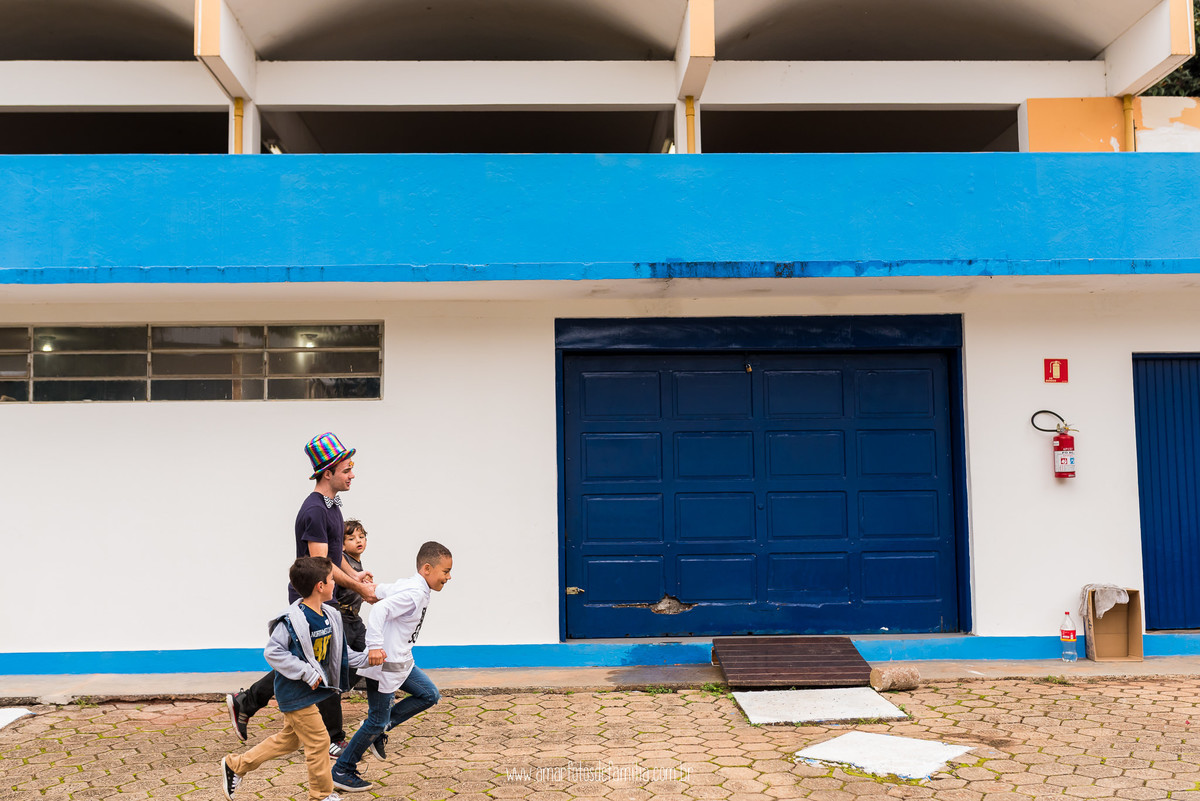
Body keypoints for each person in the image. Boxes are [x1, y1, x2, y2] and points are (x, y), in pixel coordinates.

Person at [227, 433, 379, 749]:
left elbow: (335, 554)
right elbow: (321, 562)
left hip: (327, 596)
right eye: (347, 469)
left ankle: (247, 702)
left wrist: (355, 574)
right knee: (327, 662)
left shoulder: (332, 507)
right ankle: (334, 738)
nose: (352, 475)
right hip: (312, 599)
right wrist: (358, 588)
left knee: (317, 662)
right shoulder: (314, 511)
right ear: (328, 473)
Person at [220, 556, 367, 801]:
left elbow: (340, 652)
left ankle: (236, 765)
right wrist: (306, 672)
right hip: (294, 694)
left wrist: (368, 659)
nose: (335, 584)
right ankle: (320, 795)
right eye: (332, 579)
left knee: (288, 741)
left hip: (310, 694)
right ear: (320, 586)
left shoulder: (329, 615)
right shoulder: (293, 619)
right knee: (320, 741)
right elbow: (273, 652)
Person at [330, 541, 453, 793]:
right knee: (376, 720)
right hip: (385, 665)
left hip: (402, 663)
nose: (448, 577)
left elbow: (387, 590)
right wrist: (375, 645)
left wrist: (373, 589)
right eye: (445, 571)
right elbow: (380, 610)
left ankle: (379, 730)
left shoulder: (413, 585)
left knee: (429, 695)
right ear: (427, 569)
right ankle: (342, 770)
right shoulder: (415, 593)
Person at [317, 519, 374, 752]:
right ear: (341, 545)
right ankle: (328, 705)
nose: (358, 541)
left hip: (354, 620)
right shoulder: (342, 564)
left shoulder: (357, 565)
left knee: (370, 654)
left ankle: (375, 708)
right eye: (351, 538)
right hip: (341, 620)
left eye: (361, 536)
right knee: (339, 668)